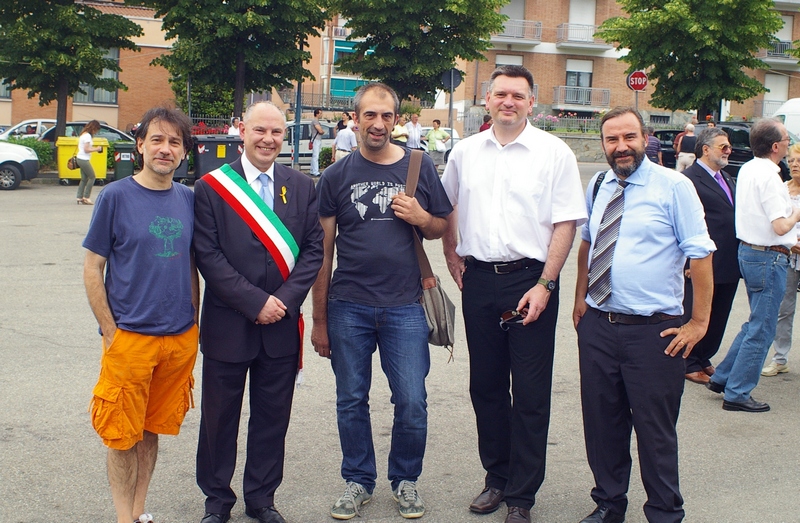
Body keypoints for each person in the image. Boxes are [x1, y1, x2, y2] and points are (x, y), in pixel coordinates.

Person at [441, 65, 587, 523]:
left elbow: (567, 222)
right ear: (487, 100)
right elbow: (447, 206)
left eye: (518, 96)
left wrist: (545, 283)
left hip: (531, 281)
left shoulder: (554, 152)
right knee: (484, 386)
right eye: (501, 94)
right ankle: (496, 478)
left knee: (528, 391)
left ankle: (522, 495)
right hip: (479, 279)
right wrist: (451, 255)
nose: (509, 102)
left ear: (531, 103)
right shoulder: (465, 152)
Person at [311, 83, 452, 520]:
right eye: (369, 115)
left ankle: (405, 480)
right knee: (351, 398)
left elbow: (440, 226)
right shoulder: (336, 175)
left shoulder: (418, 165)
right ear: (355, 119)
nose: (378, 123)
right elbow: (324, 250)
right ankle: (358, 480)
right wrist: (319, 319)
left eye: (386, 116)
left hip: (405, 306)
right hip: (348, 305)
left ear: (396, 120)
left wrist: (421, 216)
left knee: (411, 398)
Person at [573, 107, 715, 523]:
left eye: (629, 137)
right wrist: (581, 298)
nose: (621, 147)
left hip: (654, 333)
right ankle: (609, 505)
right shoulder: (599, 183)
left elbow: (701, 255)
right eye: (612, 139)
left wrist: (699, 323)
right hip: (599, 325)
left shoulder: (674, 186)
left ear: (646, 138)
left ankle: (665, 513)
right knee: (602, 427)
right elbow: (588, 243)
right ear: (603, 143)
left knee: (654, 433)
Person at [193, 101, 324, 523]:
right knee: (219, 420)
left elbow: (313, 252)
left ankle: (262, 499)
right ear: (242, 131)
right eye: (260, 130)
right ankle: (217, 502)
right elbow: (208, 256)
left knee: (272, 419)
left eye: (277, 132)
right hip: (228, 325)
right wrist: (255, 302)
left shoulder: (301, 186)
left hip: (280, 326)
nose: (268, 139)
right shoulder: (212, 187)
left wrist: (282, 301)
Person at [83, 107, 199, 523]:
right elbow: (93, 266)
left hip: (178, 339)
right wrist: (111, 331)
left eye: (174, 142)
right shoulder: (115, 196)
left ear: (184, 152)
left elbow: (191, 265)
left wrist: (195, 322)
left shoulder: (188, 198)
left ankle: (138, 510)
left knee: (150, 432)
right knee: (120, 435)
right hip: (130, 337)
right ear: (140, 145)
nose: (165, 149)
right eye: (157, 140)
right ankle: (122, 517)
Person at [708, 118, 800, 413]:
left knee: (756, 321)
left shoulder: (748, 168)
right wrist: (797, 213)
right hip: (768, 255)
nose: (788, 144)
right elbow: (781, 224)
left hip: (749, 251)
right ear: (776, 147)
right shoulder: (770, 177)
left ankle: (723, 377)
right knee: (763, 327)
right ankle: (737, 392)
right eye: (786, 140)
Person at [680, 127, 739, 385]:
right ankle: (688, 361)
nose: (728, 151)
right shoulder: (689, 179)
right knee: (697, 310)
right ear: (705, 149)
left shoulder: (726, 177)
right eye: (722, 147)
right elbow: (681, 224)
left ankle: (704, 357)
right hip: (702, 262)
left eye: (728, 147)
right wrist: (686, 262)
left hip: (728, 260)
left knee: (719, 314)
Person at [762, 143, 800, 377]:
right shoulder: (783, 189)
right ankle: (780, 358)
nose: (795, 165)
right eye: (793, 161)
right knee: (784, 309)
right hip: (789, 254)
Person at [76, 120, 104, 205]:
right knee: (92, 176)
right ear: (94, 128)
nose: (96, 132)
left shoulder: (83, 134)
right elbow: (86, 149)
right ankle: (86, 197)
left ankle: (79, 197)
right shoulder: (87, 136)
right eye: (96, 129)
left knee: (84, 179)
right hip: (83, 159)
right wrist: (97, 149)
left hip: (80, 158)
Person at [311, 108, 325, 177]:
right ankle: (315, 171)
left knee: (314, 155)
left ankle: (312, 170)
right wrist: (322, 131)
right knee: (316, 156)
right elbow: (320, 131)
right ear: (317, 114)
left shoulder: (315, 121)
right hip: (316, 139)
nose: (321, 115)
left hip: (315, 139)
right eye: (320, 113)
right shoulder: (315, 121)